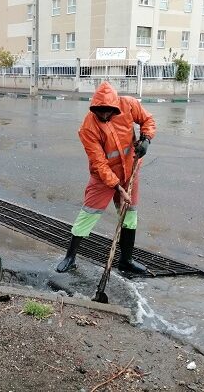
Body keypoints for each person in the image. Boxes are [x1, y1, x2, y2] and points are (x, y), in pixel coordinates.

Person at [56, 81, 156, 274]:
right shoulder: (88, 127)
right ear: (94, 108)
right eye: (99, 111)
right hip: (103, 178)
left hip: (130, 171)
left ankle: (126, 260)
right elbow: (99, 163)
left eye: (107, 111)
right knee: (88, 215)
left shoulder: (129, 105)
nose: (103, 115)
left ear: (115, 107)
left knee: (130, 216)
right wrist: (118, 188)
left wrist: (146, 139)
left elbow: (148, 120)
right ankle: (70, 257)